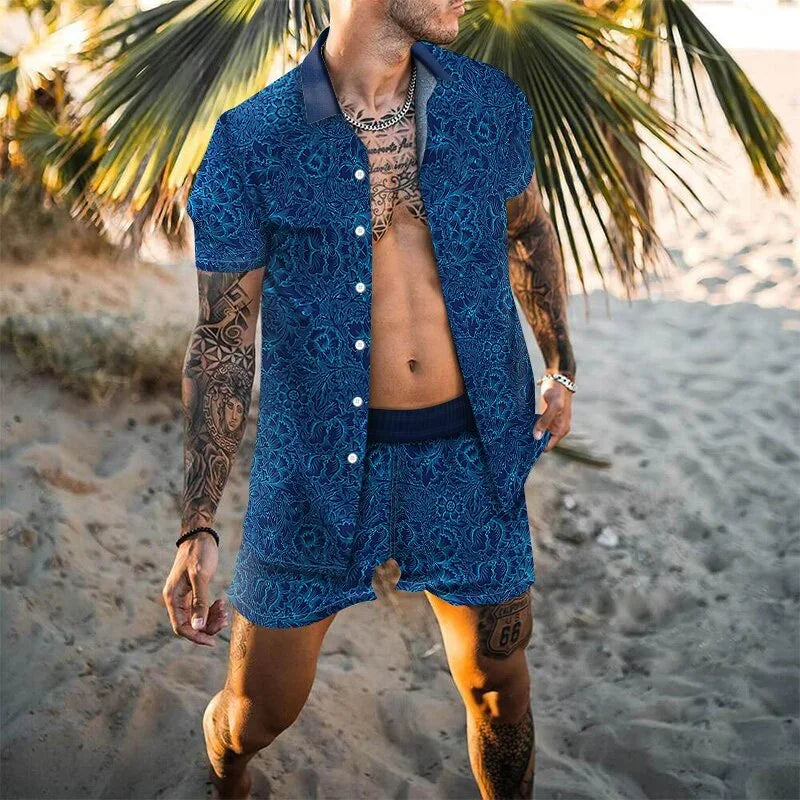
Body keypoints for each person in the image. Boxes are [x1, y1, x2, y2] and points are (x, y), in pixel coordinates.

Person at [162, 4, 576, 798]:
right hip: (314, 471)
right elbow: (222, 340)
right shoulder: (254, 141)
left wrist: (561, 367)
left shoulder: (487, 103)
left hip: (470, 457)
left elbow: (528, 228)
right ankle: (227, 774)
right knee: (256, 712)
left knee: (499, 690)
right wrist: (198, 522)